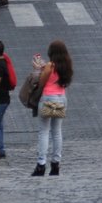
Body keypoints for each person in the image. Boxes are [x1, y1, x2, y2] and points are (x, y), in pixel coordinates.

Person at [31, 40, 74, 177]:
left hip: (48, 98)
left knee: (44, 132)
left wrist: (38, 70)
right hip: (61, 98)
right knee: (57, 132)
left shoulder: (50, 65)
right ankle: (56, 163)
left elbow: (42, 82)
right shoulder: (66, 66)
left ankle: (41, 164)